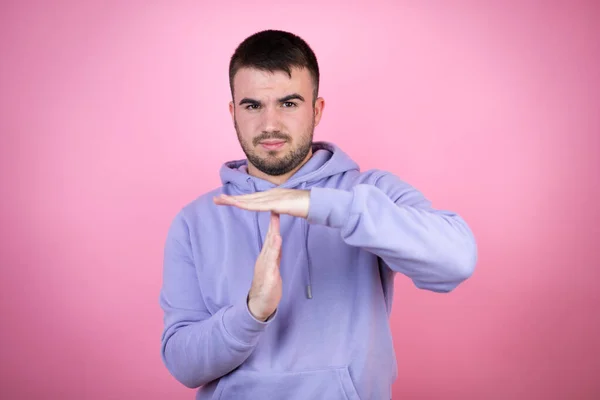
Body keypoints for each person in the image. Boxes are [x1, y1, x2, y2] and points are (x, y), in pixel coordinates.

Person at [159, 29, 477, 400]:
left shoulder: (368, 194)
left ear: (317, 109)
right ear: (233, 112)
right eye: (252, 106)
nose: (270, 124)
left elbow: (456, 260)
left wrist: (321, 204)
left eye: (289, 103)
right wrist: (251, 313)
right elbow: (183, 365)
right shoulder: (195, 221)